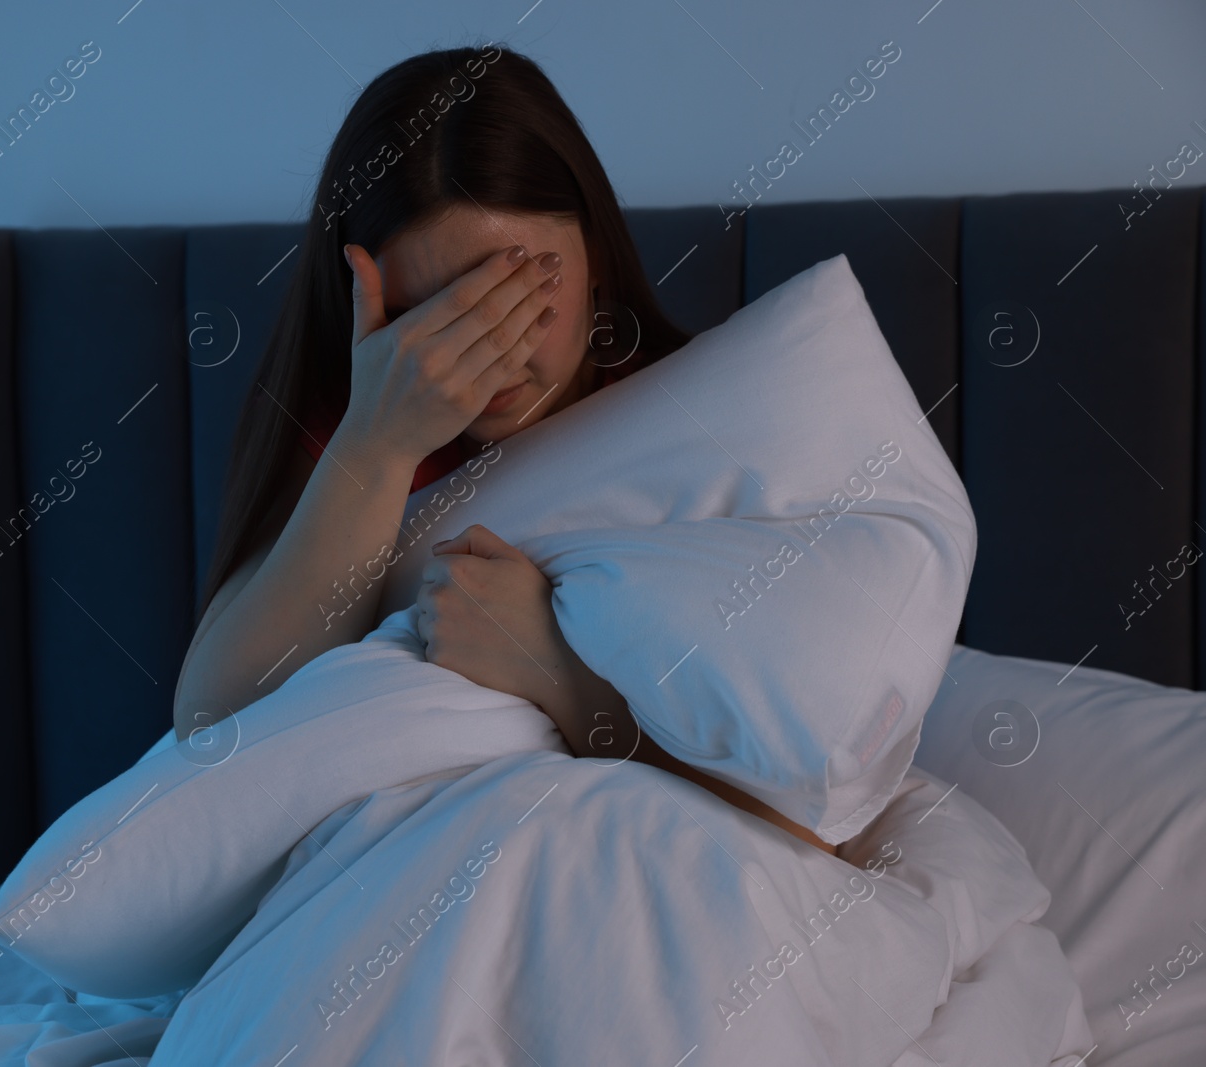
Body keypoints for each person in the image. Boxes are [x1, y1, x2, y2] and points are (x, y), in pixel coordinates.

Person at [174, 42, 835, 856]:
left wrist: (556, 672)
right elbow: (213, 731)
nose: (488, 357)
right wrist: (379, 442)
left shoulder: (698, 422)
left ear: (594, 258)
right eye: (436, 319)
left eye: (521, 291)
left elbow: (804, 826)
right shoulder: (359, 430)